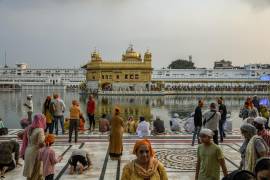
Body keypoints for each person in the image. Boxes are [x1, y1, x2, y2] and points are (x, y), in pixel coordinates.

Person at [22, 113, 46, 180]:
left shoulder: (29, 128)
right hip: (36, 152)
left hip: (28, 151)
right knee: (36, 172)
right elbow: (41, 143)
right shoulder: (40, 130)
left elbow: (25, 141)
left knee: (31, 172)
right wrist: (47, 141)